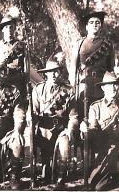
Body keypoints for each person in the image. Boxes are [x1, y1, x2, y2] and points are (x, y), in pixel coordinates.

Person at [80, 72, 119, 190]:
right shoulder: (95, 107)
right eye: (109, 85)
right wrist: (85, 129)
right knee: (97, 186)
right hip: (105, 149)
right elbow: (93, 130)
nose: (113, 88)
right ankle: (114, 174)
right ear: (103, 88)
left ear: (118, 86)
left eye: (115, 84)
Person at [29, 58, 78, 188]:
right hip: (43, 130)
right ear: (46, 74)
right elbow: (33, 112)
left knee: (64, 144)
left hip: (60, 129)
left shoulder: (68, 90)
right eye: (51, 72)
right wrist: (33, 122)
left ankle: (61, 179)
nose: (54, 75)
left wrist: (69, 130)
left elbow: (73, 116)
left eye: (56, 71)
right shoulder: (38, 90)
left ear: (60, 72)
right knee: (46, 166)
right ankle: (46, 172)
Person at [69, 11, 115, 120]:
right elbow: (73, 68)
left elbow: (111, 68)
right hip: (84, 85)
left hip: (101, 86)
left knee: (100, 116)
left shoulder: (107, 44)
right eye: (91, 22)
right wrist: (74, 87)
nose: (94, 24)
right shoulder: (79, 44)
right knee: (81, 116)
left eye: (97, 22)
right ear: (87, 26)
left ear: (101, 27)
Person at [0, 13, 26, 94]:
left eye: (11, 27)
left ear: (15, 28)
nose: (9, 29)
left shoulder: (21, 46)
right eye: (6, 27)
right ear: (2, 29)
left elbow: (26, 71)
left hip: (16, 87)